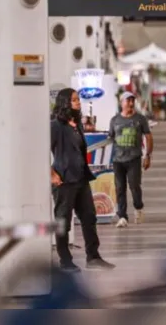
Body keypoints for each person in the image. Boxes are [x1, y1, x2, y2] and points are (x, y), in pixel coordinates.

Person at [50, 88, 115, 273]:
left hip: (80, 179)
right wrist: (52, 174)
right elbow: (40, 149)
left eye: (78, 99)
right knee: (63, 220)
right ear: (64, 102)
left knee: (89, 217)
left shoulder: (76, 124)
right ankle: (65, 261)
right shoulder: (55, 126)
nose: (78, 102)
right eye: (74, 100)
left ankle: (93, 257)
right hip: (64, 181)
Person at [109, 92, 153, 229]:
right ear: (121, 102)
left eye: (132, 101)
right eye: (128, 101)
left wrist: (148, 156)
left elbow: (149, 137)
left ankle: (138, 207)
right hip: (118, 160)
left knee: (134, 186)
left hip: (134, 158)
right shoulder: (115, 120)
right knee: (119, 188)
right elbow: (110, 138)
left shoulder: (140, 119)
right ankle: (122, 216)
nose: (130, 103)